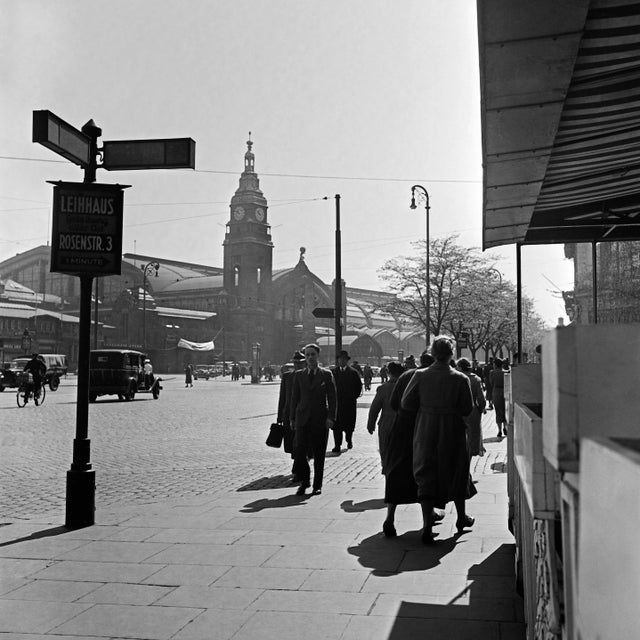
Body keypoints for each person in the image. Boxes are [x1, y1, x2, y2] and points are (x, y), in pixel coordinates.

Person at [402, 335, 475, 544]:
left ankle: (427, 525)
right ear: (451, 354)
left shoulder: (420, 375)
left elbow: (406, 403)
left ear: (432, 353)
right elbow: (467, 409)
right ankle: (461, 517)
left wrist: (425, 409)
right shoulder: (461, 378)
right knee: (458, 470)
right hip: (452, 429)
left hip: (426, 428)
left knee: (425, 471)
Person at [384, 349, 439, 537]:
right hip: (424, 428)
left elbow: (393, 403)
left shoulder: (406, 375)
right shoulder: (432, 376)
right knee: (425, 471)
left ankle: (390, 518)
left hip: (402, 428)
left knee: (397, 471)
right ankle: (427, 521)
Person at [289, 343, 337, 496]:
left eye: (313, 355)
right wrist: (291, 418)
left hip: (320, 419)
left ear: (318, 356)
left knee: (319, 453)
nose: (310, 357)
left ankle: (317, 485)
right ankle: (305, 481)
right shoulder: (299, 375)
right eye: (307, 355)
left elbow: (333, 397)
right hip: (302, 419)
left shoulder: (326, 374)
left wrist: (331, 417)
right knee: (300, 451)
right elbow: (294, 398)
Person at [366, 361, 407, 536]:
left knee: (386, 455)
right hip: (403, 426)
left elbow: (374, 408)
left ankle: (388, 477)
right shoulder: (407, 386)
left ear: (389, 372)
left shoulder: (382, 389)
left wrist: (370, 424)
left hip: (386, 427)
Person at [277, 350, 306, 480]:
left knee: (300, 443)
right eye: (295, 363)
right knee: (291, 444)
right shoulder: (287, 377)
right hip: (288, 415)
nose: (297, 365)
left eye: (299, 363)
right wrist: (279, 417)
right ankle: (298, 465)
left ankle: (297, 469)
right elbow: (282, 398)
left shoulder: (307, 376)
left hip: (303, 416)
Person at [330, 350, 363, 453]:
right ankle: (337, 445)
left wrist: (352, 398)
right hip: (337, 404)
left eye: (344, 359)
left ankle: (349, 440)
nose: (342, 361)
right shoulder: (333, 373)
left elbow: (358, 388)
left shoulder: (353, 373)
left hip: (349, 404)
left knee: (349, 425)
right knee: (337, 426)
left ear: (347, 360)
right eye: (340, 359)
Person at [457, 357, 487, 457]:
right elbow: (481, 399)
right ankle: (468, 464)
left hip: (458, 412)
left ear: (460, 367)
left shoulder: (456, 378)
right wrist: (480, 409)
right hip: (473, 412)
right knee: (471, 438)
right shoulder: (476, 379)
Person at [489, 357, 507, 438]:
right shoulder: (506, 372)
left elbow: (491, 383)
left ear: (495, 364)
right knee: (505, 411)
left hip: (496, 392)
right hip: (505, 391)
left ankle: (499, 430)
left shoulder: (492, 372)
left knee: (498, 411)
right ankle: (505, 427)